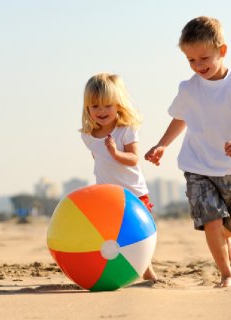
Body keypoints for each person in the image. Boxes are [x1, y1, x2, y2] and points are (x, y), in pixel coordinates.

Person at [145, 16, 231, 288]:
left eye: (204, 58)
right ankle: (226, 273)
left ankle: (224, 237)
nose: (198, 66)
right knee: (211, 220)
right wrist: (162, 144)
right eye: (191, 61)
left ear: (222, 50)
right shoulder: (189, 88)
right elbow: (180, 118)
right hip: (197, 166)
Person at [80, 73, 157, 282]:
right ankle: (112, 270)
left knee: (139, 234)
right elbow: (98, 160)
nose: (101, 111)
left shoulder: (125, 130)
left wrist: (115, 153)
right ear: (87, 108)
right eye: (95, 106)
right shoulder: (88, 136)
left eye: (107, 105)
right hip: (108, 196)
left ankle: (147, 271)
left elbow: (133, 159)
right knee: (112, 236)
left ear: (118, 105)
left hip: (134, 192)